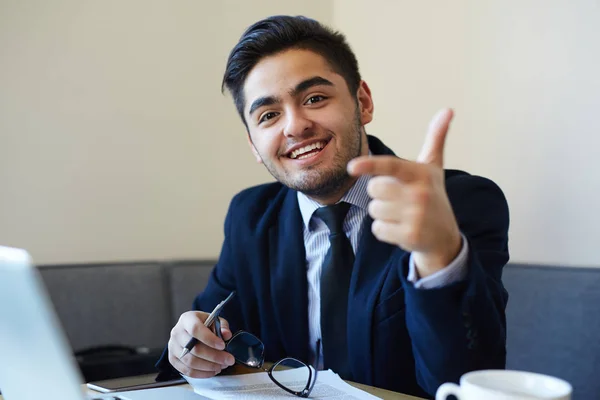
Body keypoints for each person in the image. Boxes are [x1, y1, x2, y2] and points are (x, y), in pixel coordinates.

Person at [156, 15, 509, 398]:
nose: (295, 126)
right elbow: (210, 334)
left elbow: (461, 383)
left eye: (315, 98)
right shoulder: (250, 218)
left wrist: (437, 255)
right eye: (268, 115)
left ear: (363, 101)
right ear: (254, 145)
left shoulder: (455, 204)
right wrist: (189, 350)